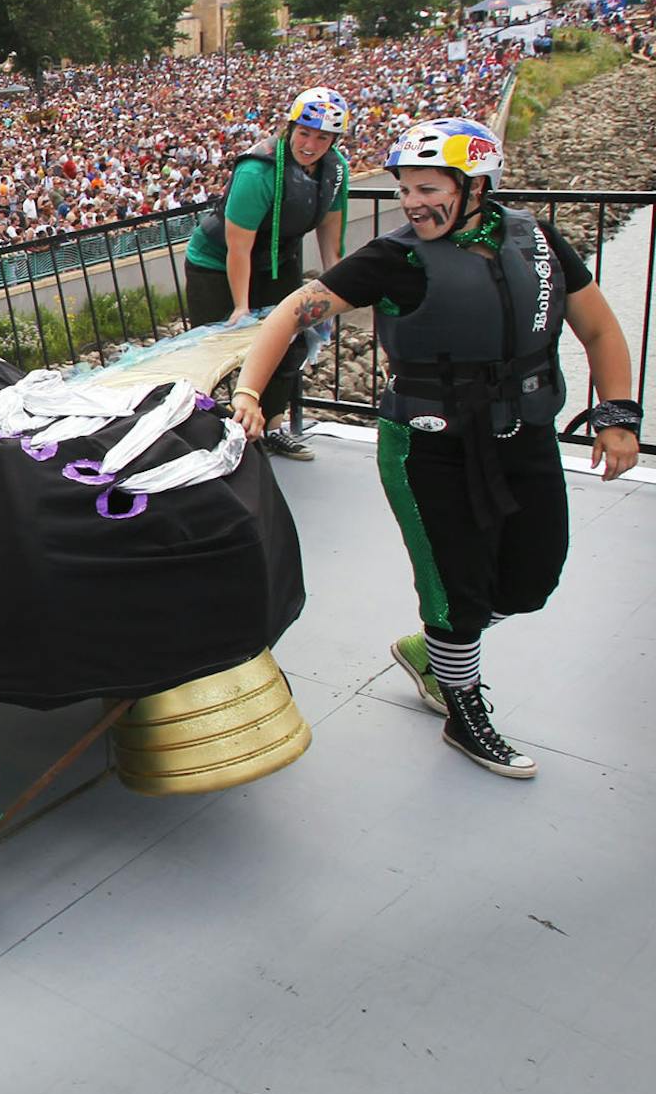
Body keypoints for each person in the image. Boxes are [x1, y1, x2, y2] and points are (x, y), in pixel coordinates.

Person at [230, 117, 641, 779]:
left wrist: (617, 413)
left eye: (428, 187)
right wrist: (251, 391)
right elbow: (292, 312)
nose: (411, 202)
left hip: (523, 434)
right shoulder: (395, 257)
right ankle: (462, 707)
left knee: (532, 578)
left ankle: (432, 652)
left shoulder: (536, 241)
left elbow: (598, 326)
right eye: (405, 188)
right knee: (456, 588)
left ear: (477, 184)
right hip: (429, 448)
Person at [184, 87, 353, 461]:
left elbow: (331, 236)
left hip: (279, 258)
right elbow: (238, 247)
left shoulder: (336, 170)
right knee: (215, 345)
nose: (310, 144)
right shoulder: (258, 171)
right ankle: (207, 432)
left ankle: (272, 426)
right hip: (218, 260)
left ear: (333, 140)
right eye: (304, 133)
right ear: (290, 127)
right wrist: (241, 307)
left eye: (322, 137)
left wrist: (339, 290)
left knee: (287, 342)